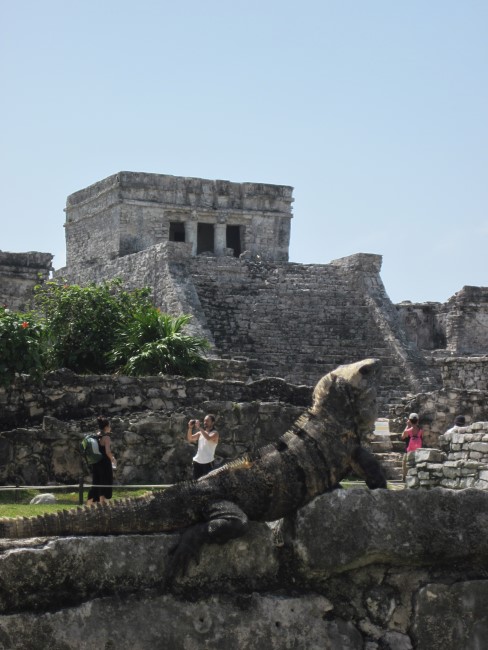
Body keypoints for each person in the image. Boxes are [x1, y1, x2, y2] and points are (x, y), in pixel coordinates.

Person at [87, 416, 117, 505]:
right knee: (105, 482)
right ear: (106, 427)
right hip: (104, 463)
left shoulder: (96, 435)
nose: (110, 428)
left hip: (96, 462)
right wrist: (113, 459)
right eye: (109, 426)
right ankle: (102, 504)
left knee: (96, 482)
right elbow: (107, 452)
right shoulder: (106, 438)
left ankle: (89, 504)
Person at [187, 414, 219, 479]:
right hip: (197, 462)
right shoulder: (200, 433)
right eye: (204, 421)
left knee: (209, 483)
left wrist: (199, 427)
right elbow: (190, 438)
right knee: (196, 483)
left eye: (207, 421)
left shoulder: (215, 433)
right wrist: (190, 428)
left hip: (208, 462)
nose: (205, 422)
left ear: (212, 422)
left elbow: (208, 438)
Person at [401, 413, 423, 480]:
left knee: (405, 466)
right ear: (418, 420)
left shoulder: (408, 431)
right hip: (418, 451)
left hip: (408, 451)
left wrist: (407, 425)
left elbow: (402, 437)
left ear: (410, 421)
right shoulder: (421, 430)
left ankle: (405, 479)